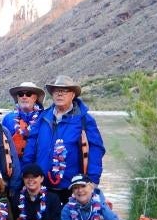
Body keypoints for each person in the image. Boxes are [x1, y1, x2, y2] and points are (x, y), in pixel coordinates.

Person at [23, 75, 105, 204]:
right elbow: (31, 145)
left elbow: (96, 150)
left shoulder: (85, 120)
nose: (59, 94)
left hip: (72, 187)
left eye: (64, 91)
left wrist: (93, 179)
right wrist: (26, 172)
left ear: (73, 95)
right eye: (56, 91)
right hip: (42, 185)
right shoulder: (43, 117)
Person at [2, 81, 45, 159]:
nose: (24, 97)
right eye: (21, 94)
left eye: (28, 94)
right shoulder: (8, 119)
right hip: (15, 167)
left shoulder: (44, 118)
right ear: (17, 98)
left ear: (35, 98)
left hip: (37, 168)